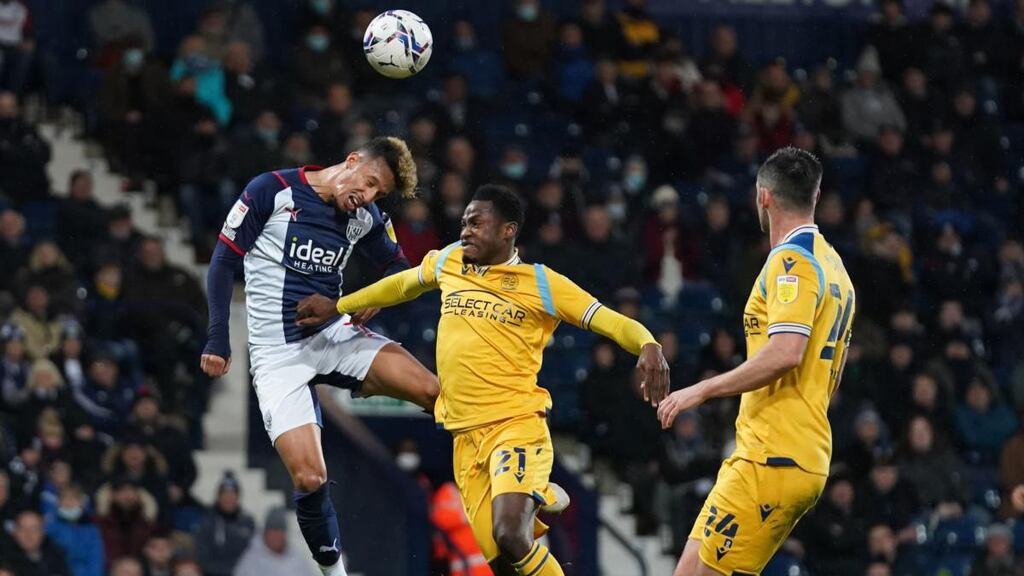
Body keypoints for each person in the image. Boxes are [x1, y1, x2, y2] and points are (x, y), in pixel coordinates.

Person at [296, 183, 670, 574]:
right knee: (506, 564)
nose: (465, 231)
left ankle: (532, 511)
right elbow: (404, 283)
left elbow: (609, 320)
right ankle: (537, 510)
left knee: (510, 535)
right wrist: (341, 305)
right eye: (463, 223)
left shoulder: (542, 283)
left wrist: (647, 343)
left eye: (477, 223)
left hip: (514, 426)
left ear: (508, 230)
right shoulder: (450, 261)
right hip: (464, 439)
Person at [200, 136, 439, 576]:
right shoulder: (270, 191)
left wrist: (375, 299)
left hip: (335, 336)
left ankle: (510, 472)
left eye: (377, 194)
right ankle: (334, 573)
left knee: (433, 390)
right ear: (350, 161)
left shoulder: (364, 217)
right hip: (277, 356)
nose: (366, 197)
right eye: (367, 183)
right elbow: (221, 262)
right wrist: (218, 338)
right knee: (309, 478)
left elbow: (399, 268)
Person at [658, 147, 855, 576]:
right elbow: (827, 376)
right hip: (787, 450)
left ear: (763, 197)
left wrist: (703, 388)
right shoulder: (835, 267)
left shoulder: (792, 261)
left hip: (774, 456)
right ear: (816, 196)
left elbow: (787, 352)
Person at [233, 507, 312, 576]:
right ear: (265, 533)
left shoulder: (297, 558)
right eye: (273, 531)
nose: (276, 536)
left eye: (280, 531)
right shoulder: (251, 561)